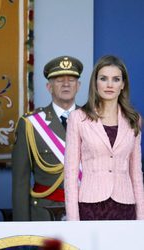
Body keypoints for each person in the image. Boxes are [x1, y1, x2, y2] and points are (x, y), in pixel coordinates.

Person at [64, 55, 144, 220]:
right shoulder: (78, 118)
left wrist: (141, 220)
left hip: (126, 206)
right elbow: (70, 174)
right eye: (103, 78)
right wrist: (73, 220)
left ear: (122, 85)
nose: (109, 84)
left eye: (115, 79)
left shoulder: (134, 119)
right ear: (95, 83)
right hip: (90, 206)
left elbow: (136, 173)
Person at [12, 55, 83, 221]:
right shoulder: (30, 124)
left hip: (85, 210)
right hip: (45, 212)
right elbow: (20, 182)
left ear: (78, 86)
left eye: (71, 79)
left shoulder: (92, 119)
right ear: (49, 87)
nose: (66, 84)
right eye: (59, 80)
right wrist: (21, 226)